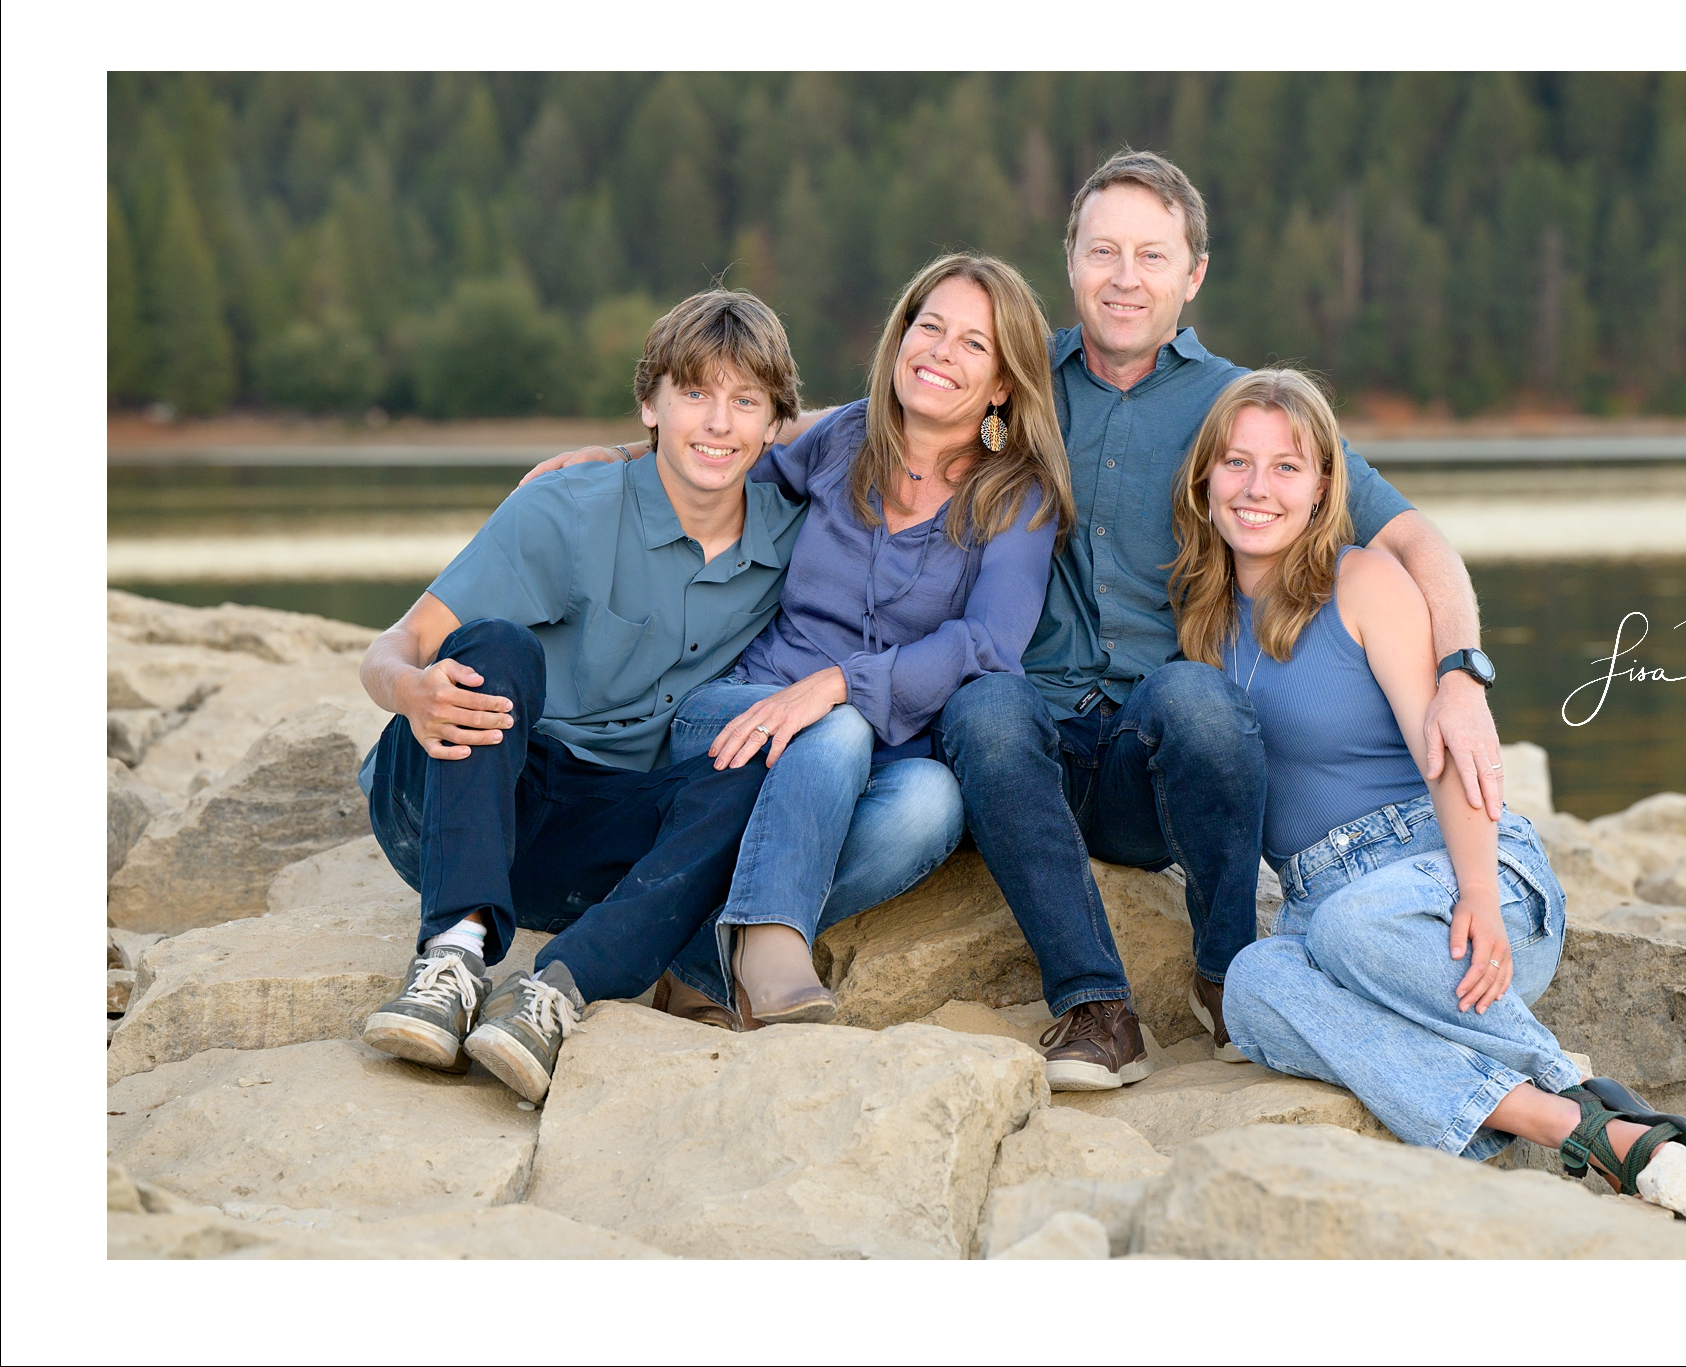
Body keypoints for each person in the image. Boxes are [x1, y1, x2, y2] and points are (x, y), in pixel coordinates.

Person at [523, 151, 1506, 1093]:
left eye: (1151, 255)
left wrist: (1458, 669)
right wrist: (629, 453)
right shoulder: (1021, 382)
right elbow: (841, 420)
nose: (1123, 278)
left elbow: (1414, 538)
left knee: (1193, 695)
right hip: (1011, 751)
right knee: (987, 705)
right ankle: (1096, 1006)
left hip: (1148, 759)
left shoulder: (1235, 413)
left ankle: (1220, 970)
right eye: (1101, 251)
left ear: (1192, 275)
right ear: (1070, 261)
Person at [1175, 368, 1686, 1214]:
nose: (1257, 489)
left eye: (1287, 467)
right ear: (1203, 478)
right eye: (1237, 464)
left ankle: (1545, 1082)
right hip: (1321, 907)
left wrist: (1474, 887)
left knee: (1358, 924)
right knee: (1252, 985)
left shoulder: (1361, 581)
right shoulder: (1202, 621)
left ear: (1326, 487)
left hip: (1452, 879)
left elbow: (1450, 751)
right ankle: (1570, 1119)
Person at [355, 289, 811, 1104]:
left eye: (746, 401)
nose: (718, 423)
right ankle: (453, 956)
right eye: (694, 394)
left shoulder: (790, 534)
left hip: (589, 838)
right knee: (494, 646)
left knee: (760, 757)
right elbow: (393, 646)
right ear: (651, 402)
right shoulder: (565, 507)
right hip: (459, 794)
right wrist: (410, 692)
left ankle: (556, 989)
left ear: (777, 421)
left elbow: (892, 417)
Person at [650, 252, 1072, 1028]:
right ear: (901, 334)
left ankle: (693, 958)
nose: (941, 351)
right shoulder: (841, 437)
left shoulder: (1019, 495)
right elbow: (718, 466)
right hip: (738, 715)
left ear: (1004, 385)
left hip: (883, 745)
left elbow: (987, 644)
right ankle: (772, 951)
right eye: (930, 326)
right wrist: (606, 461)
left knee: (933, 802)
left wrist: (842, 683)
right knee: (834, 727)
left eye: (973, 344)